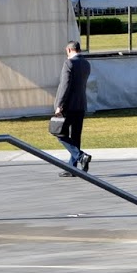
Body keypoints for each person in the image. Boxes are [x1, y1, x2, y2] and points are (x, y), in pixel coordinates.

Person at [53, 40, 91, 175]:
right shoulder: (86, 64)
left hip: (68, 106)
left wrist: (59, 105)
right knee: (76, 136)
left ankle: (81, 156)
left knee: (59, 133)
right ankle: (73, 168)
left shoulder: (69, 63)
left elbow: (65, 86)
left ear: (69, 50)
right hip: (81, 104)